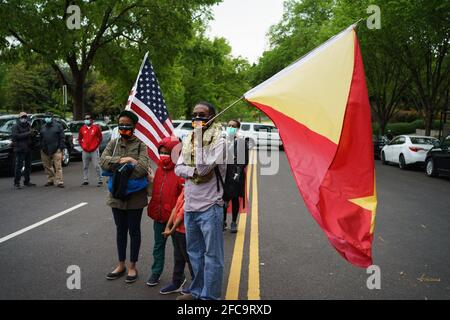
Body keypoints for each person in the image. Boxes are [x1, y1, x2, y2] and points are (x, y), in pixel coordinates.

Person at [174, 101, 227, 300]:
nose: (197, 118)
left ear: (212, 117)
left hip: (210, 206)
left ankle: (210, 297)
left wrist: (198, 140)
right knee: (194, 254)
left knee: (212, 257)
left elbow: (204, 169)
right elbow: (178, 168)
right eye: (194, 114)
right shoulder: (187, 139)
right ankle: (197, 291)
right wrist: (191, 171)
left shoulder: (219, 141)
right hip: (190, 206)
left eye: (202, 114)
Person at [100, 110, 150, 284]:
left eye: (127, 123)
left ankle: (132, 266)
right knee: (120, 230)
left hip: (135, 196)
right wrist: (126, 160)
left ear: (134, 126)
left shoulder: (141, 145)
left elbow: (143, 168)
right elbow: (103, 162)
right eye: (121, 123)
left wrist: (121, 166)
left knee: (134, 231)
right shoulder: (113, 143)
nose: (123, 126)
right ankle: (121, 264)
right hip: (116, 196)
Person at [146, 136, 184, 287]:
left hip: (176, 220)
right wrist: (150, 179)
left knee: (179, 251)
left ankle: (178, 277)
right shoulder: (159, 169)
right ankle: (156, 272)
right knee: (158, 246)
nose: (164, 155)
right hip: (159, 215)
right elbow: (156, 191)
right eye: (161, 152)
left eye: (167, 152)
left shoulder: (181, 170)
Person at [160, 189, 195, 295]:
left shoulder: (192, 191)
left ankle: (196, 285)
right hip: (177, 231)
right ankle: (177, 282)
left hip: (185, 231)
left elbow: (182, 213)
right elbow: (175, 208)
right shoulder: (185, 188)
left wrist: (171, 229)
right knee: (178, 258)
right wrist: (168, 226)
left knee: (190, 259)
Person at [223, 119, 249, 233]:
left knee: (234, 198)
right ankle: (222, 222)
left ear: (237, 129)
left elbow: (245, 161)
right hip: (224, 173)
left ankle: (233, 222)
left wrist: (237, 173)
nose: (230, 127)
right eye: (229, 125)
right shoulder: (222, 141)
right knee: (223, 199)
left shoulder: (241, 143)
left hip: (235, 174)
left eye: (233, 126)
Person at [11, 112, 37, 189]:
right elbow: (16, 136)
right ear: (19, 118)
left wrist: (33, 134)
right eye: (22, 117)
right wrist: (29, 133)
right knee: (18, 166)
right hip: (20, 149)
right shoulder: (15, 127)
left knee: (28, 166)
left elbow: (30, 135)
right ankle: (16, 183)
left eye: (25, 117)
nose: (24, 118)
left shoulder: (28, 125)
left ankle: (27, 181)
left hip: (28, 148)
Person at [40, 112, 65, 188]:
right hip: (45, 149)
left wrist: (61, 148)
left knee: (58, 166)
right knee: (47, 166)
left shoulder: (58, 126)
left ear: (52, 118)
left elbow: (62, 137)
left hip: (56, 149)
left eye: (48, 117)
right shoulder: (43, 127)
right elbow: (40, 138)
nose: (47, 118)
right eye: (46, 117)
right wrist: (41, 146)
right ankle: (50, 180)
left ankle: (59, 181)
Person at [79, 114, 103, 186]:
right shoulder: (82, 128)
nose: (86, 120)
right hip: (85, 151)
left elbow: (100, 137)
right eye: (85, 118)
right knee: (85, 166)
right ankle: (85, 180)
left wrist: (96, 146)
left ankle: (100, 180)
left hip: (94, 150)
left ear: (91, 120)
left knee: (96, 166)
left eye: (88, 118)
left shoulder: (95, 128)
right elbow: (80, 138)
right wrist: (82, 146)